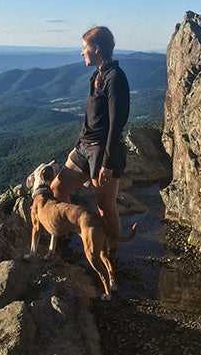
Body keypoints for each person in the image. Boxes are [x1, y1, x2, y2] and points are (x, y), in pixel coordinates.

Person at [50, 25, 130, 262]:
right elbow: (90, 118)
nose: (81, 52)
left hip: (102, 151)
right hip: (84, 148)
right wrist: (77, 145)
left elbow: (117, 123)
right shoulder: (98, 75)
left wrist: (107, 163)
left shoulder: (115, 78)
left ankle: (111, 255)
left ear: (96, 48)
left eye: (84, 47)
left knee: (105, 206)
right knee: (57, 188)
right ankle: (69, 231)